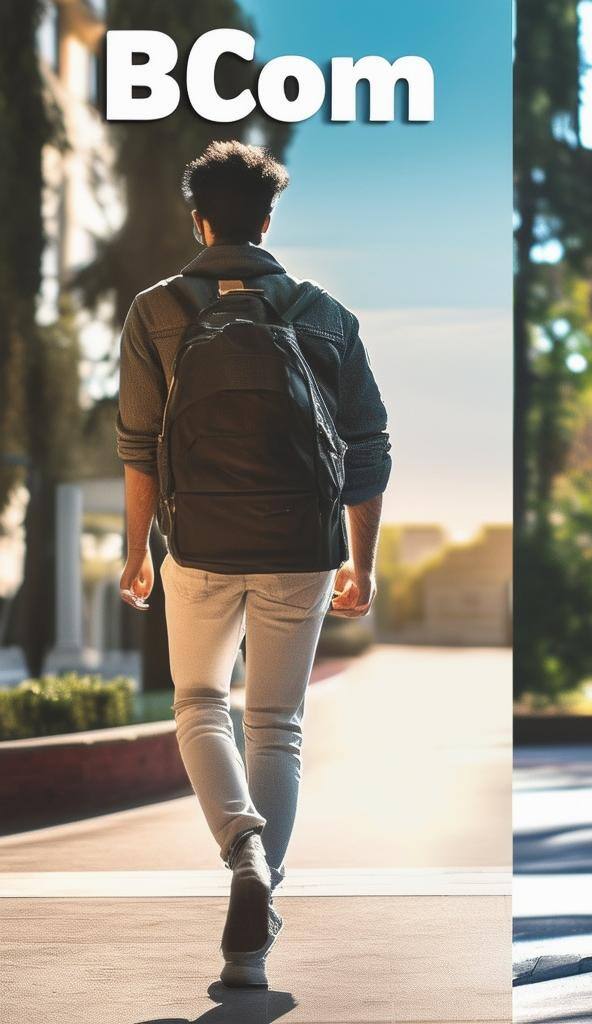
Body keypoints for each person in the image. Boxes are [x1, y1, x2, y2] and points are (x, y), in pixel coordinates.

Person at [116, 140, 391, 987]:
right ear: (268, 219)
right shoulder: (324, 313)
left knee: (200, 702)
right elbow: (367, 448)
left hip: (196, 546)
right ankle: (254, 941)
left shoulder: (156, 310)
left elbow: (138, 448)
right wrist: (362, 562)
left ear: (198, 218)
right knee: (277, 723)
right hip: (299, 548)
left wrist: (139, 554)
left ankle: (244, 853)